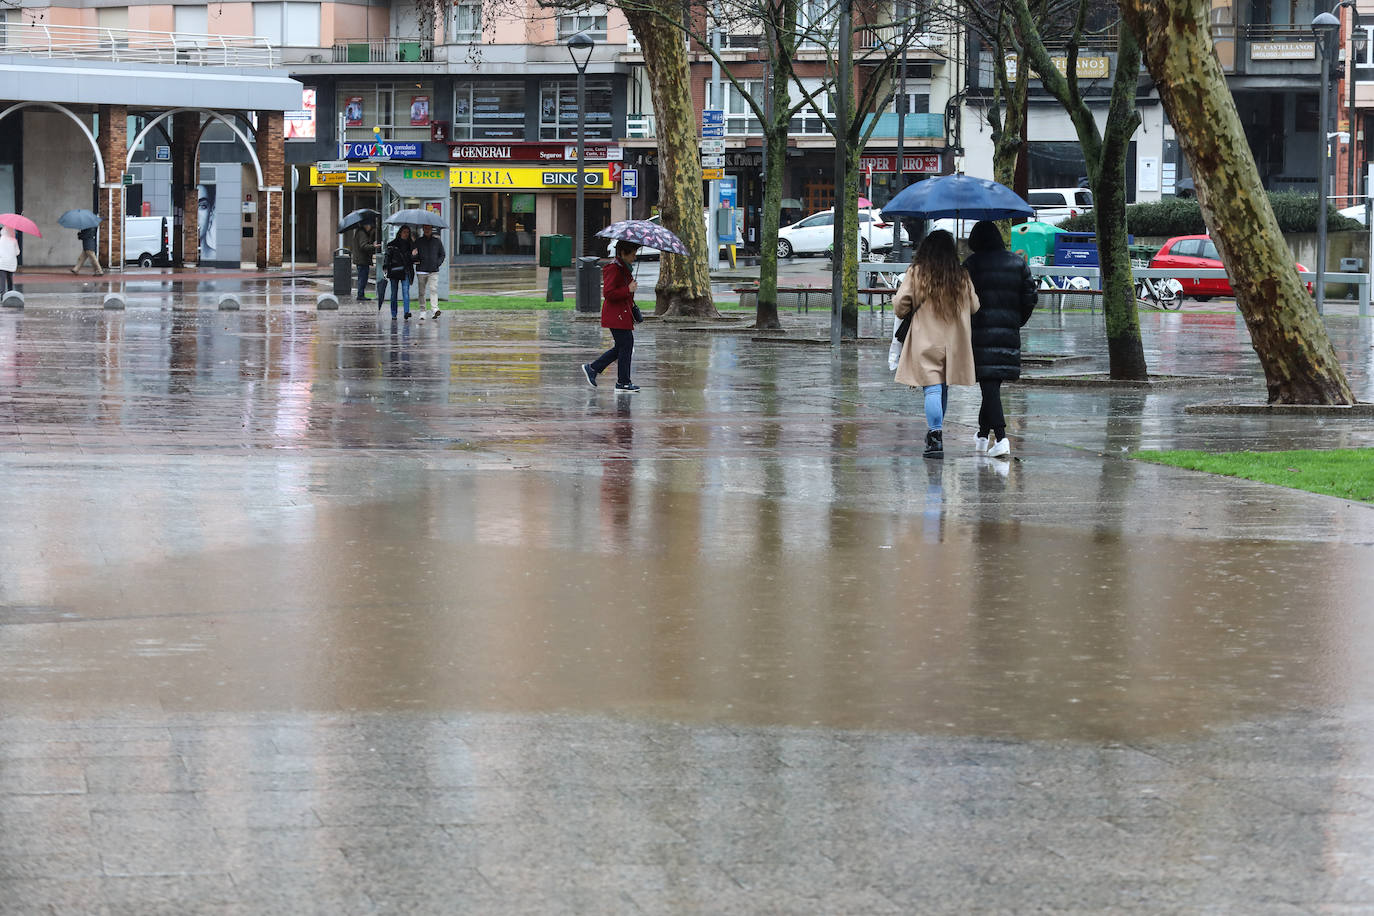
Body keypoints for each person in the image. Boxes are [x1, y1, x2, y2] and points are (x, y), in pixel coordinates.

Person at [893, 229, 979, 460]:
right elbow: (974, 307)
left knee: (932, 387)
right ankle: (936, 431)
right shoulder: (961, 275)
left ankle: (935, 435)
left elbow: (901, 306)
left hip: (925, 339)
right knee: (943, 387)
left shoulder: (917, 273)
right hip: (953, 342)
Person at [964, 220, 1038, 459]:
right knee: (991, 384)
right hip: (1008, 331)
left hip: (979, 333)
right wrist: (1016, 321)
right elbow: (1030, 297)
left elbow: (962, 299)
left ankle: (1002, 437)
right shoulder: (1018, 263)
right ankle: (982, 435)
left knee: (989, 384)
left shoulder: (971, 265)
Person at [581, 240, 642, 392]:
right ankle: (622, 381)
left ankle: (594, 369)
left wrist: (630, 291)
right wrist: (628, 289)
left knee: (622, 346)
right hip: (616, 315)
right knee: (626, 345)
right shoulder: (614, 268)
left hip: (622, 314)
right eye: (632, 255)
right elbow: (608, 293)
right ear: (623, 253)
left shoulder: (624, 268)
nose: (634, 258)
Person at [383, 226, 416, 319]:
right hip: (395, 271)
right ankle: (394, 314)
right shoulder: (392, 244)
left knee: (405, 291)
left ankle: (406, 312)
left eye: (407, 232)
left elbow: (414, 259)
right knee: (394, 293)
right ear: (400, 233)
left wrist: (413, 255)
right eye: (404, 232)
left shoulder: (411, 245)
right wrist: (386, 268)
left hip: (405, 270)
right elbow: (387, 257)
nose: (406, 234)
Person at [413, 225, 446, 320]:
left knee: (433, 289)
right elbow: (413, 256)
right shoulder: (418, 241)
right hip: (421, 270)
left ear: (431, 229)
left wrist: (437, 264)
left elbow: (442, 254)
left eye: (429, 229)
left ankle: (435, 309)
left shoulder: (437, 241)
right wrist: (414, 256)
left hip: (433, 270)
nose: (427, 230)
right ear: (423, 229)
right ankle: (422, 311)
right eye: (425, 228)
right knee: (421, 292)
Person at [348, 221, 380, 301]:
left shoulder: (360, 232)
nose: (370, 228)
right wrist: (373, 246)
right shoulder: (362, 233)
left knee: (362, 277)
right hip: (362, 260)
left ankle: (361, 294)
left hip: (362, 259)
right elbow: (363, 246)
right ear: (366, 225)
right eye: (370, 226)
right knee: (363, 278)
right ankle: (360, 295)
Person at [0, 226, 18, 294]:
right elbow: (17, 252)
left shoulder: (1, 239)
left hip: (2, 263)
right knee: (10, 279)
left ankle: (2, 294)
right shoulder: (14, 240)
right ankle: (10, 293)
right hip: (11, 263)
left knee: (2, 279)